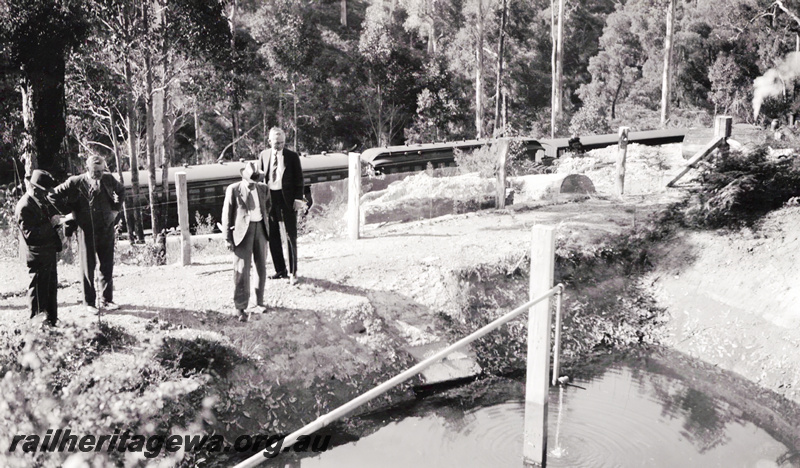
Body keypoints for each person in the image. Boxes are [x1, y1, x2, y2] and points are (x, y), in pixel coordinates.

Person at [50, 154, 125, 313]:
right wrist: (70, 213)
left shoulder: (109, 179)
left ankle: (107, 300)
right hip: (86, 230)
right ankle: (89, 302)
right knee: (87, 266)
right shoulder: (75, 182)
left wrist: (115, 210)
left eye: (101, 170)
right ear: (87, 169)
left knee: (107, 265)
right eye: (94, 170)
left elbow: (121, 190)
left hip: (106, 228)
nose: (98, 174)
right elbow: (52, 195)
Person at [221, 161, 271, 322]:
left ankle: (259, 301)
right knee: (241, 270)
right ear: (244, 177)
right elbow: (227, 214)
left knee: (261, 267)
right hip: (242, 233)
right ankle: (240, 307)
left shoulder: (263, 189)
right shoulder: (234, 189)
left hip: (261, 230)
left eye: (256, 180)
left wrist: (264, 223)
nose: (253, 184)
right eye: (251, 180)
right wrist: (227, 238)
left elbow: (267, 207)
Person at [258, 127, 306, 285]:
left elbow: (299, 179)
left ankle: (293, 272)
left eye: (281, 143)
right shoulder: (263, 155)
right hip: (271, 198)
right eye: (275, 143)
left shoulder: (292, 156)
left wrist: (298, 199)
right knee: (273, 236)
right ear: (269, 141)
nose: (278, 146)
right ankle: (280, 270)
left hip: (288, 199)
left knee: (290, 236)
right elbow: (260, 177)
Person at [15, 170, 62, 326]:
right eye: (44, 192)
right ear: (35, 189)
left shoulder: (39, 201)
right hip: (36, 255)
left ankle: (51, 320)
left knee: (50, 287)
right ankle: (36, 324)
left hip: (47, 252)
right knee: (38, 290)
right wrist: (51, 224)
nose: (46, 195)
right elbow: (31, 234)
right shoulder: (24, 206)